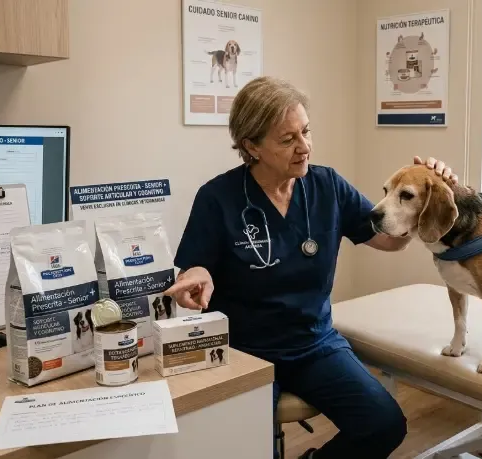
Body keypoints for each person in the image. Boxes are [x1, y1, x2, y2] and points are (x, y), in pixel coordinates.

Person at [164, 75, 456, 459]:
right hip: (243, 350)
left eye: (306, 131)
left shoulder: (327, 186)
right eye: (288, 139)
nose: (304, 147)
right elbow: (195, 267)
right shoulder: (218, 197)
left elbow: (389, 240)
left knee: (384, 424)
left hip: (313, 344)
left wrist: (424, 198)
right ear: (251, 146)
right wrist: (197, 275)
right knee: (250, 448)